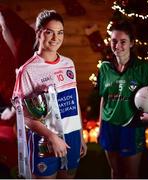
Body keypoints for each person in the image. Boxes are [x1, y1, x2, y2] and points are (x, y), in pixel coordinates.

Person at [12, 10, 87, 179]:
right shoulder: (27, 70)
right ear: (38, 33)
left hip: (72, 137)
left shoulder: (68, 64)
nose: (55, 38)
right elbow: (24, 116)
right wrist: (51, 137)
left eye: (60, 32)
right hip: (44, 141)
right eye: (49, 32)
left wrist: (79, 135)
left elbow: (73, 102)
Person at [97, 20, 148, 179]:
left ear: (132, 43)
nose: (117, 46)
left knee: (131, 175)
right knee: (115, 172)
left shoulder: (144, 69)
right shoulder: (105, 68)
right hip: (109, 126)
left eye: (123, 41)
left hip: (131, 128)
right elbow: (104, 98)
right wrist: (100, 126)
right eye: (114, 41)